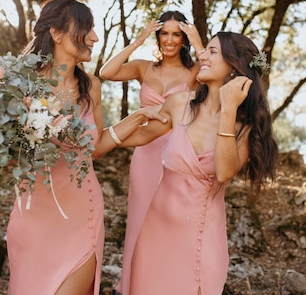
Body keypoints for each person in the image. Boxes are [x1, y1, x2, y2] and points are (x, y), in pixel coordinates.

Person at [97, 31, 279, 295]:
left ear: (233, 67)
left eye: (212, 51)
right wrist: (98, 138)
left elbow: (225, 171)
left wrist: (228, 111)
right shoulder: (180, 103)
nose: (202, 55)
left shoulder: (245, 127)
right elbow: (139, 135)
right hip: (153, 234)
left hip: (199, 243)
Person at [6, 0, 165, 295]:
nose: (94, 37)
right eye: (86, 28)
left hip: (82, 213)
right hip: (33, 215)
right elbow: (5, 155)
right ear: (56, 33)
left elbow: (96, 146)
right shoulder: (20, 83)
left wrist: (139, 117)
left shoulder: (90, 86)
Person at [99, 11, 204, 295]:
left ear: (183, 39)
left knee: (171, 220)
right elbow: (106, 72)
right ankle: (135, 287)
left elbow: (217, 74)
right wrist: (137, 41)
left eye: (176, 34)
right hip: (145, 155)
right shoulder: (143, 68)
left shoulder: (194, 73)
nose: (169, 40)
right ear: (158, 37)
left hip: (178, 155)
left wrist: (199, 42)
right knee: (140, 220)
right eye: (164, 33)